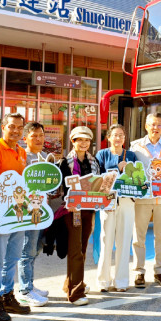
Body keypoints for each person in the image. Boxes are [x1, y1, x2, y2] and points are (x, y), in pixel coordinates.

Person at [0, 113, 32, 321]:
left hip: (18, 214)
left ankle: (7, 296)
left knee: (13, 257)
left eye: (20, 128)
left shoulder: (21, 151)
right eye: (11, 127)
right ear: (3, 128)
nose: (16, 131)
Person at [129, 113, 161, 288]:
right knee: (139, 236)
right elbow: (130, 172)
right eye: (152, 125)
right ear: (146, 126)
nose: (155, 128)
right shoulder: (135, 147)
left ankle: (160, 271)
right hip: (142, 198)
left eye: (159, 125)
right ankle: (139, 272)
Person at [56, 126, 99, 305]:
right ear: (73, 141)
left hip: (89, 210)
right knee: (75, 250)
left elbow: (99, 184)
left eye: (87, 140)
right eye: (79, 140)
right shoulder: (65, 163)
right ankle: (75, 293)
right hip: (72, 210)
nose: (83, 143)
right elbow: (61, 189)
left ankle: (72, 283)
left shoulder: (94, 161)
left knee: (81, 249)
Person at [95, 124, 137, 292]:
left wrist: (130, 171)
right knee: (106, 240)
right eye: (115, 135)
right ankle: (103, 281)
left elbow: (138, 180)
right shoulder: (101, 154)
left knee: (124, 240)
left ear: (124, 139)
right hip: (107, 202)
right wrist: (116, 169)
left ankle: (121, 281)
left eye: (121, 135)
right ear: (109, 137)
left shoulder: (132, 155)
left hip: (127, 202)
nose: (118, 138)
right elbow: (98, 180)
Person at [17, 121, 52, 306]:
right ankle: (24, 290)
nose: (38, 139)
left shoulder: (46, 157)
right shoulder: (22, 157)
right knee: (27, 250)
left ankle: (30, 284)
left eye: (41, 135)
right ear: (25, 139)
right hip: (28, 211)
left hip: (43, 210)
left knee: (36, 248)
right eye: (33, 136)